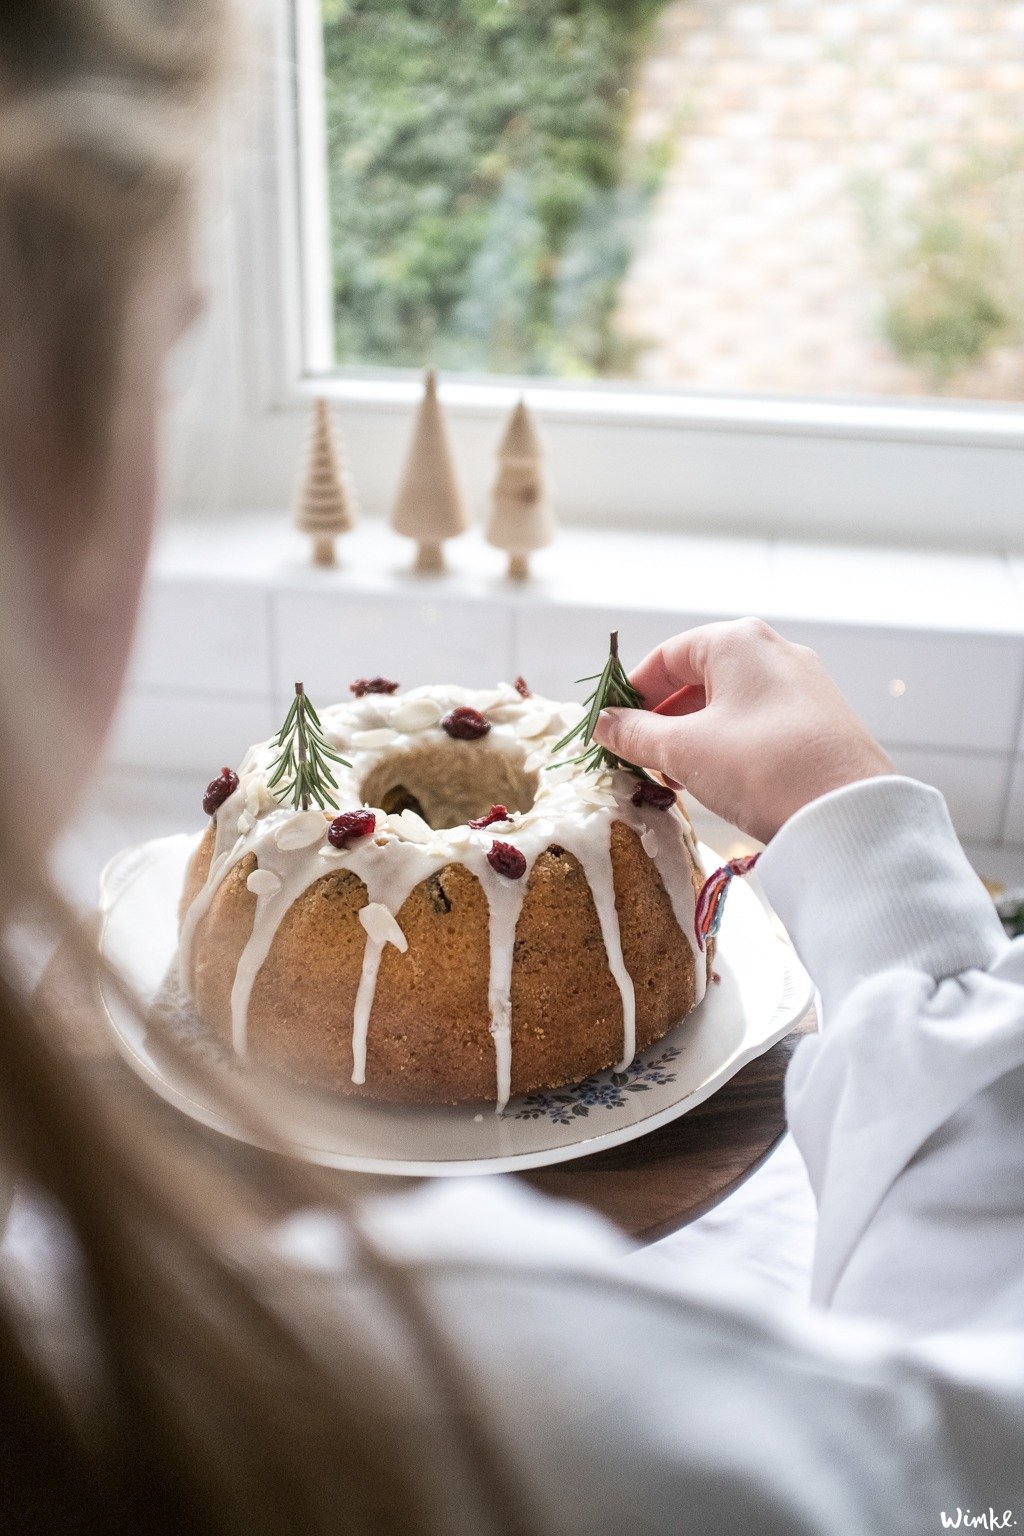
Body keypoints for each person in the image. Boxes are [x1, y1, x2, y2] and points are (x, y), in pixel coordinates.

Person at [1, 4, 1022, 1534]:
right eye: (162, 363)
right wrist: (866, 853)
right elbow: (976, 1468)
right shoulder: (481, 1401)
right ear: (51, 440)